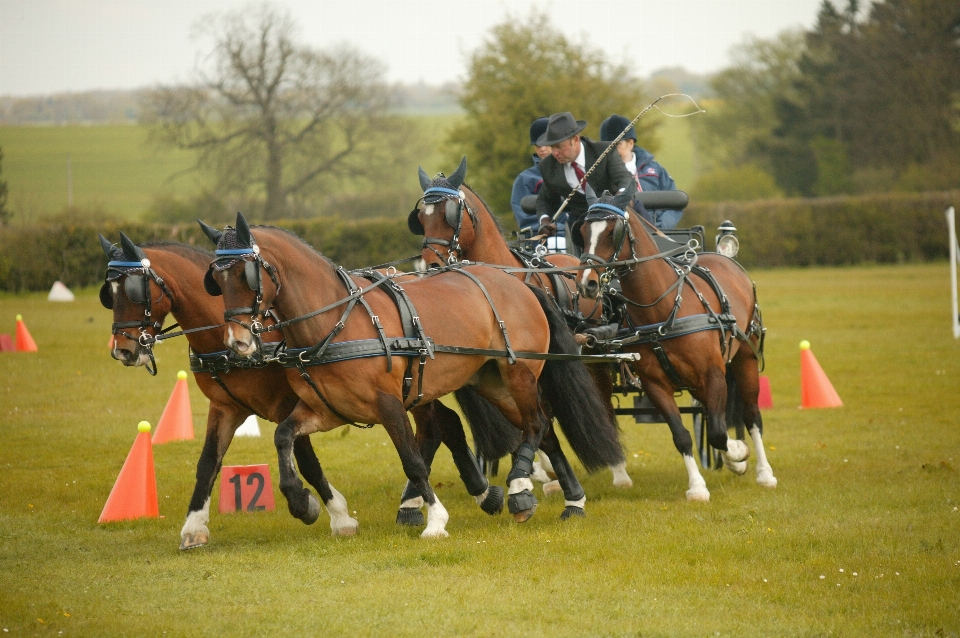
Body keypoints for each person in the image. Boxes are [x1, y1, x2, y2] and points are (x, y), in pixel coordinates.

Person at [534, 112, 636, 255]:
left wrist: (617, 201)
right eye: (552, 147)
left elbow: (624, 180)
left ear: (575, 140)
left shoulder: (604, 151)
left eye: (559, 146)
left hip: (621, 218)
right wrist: (544, 221)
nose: (555, 153)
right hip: (584, 230)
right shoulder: (548, 166)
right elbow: (545, 199)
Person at [600, 114, 683, 230]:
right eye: (608, 146)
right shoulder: (601, 174)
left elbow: (675, 202)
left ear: (630, 143)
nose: (612, 151)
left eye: (617, 145)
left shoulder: (655, 170)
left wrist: (661, 227)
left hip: (657, 232)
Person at [510, 117, 567, 252]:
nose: (542, 149)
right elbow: (524, 218)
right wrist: (554, 228)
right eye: (537, 145)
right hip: (541, 243)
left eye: (545, 144)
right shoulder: (525, 179)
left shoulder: (573, 173)